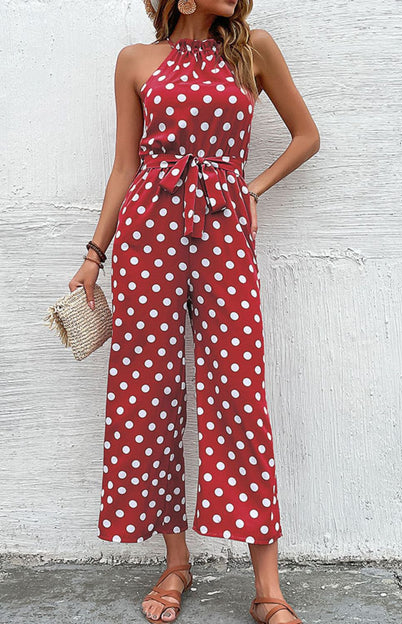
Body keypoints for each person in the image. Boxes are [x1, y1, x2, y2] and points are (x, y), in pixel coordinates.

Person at [69, 0, 319, 622]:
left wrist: (250, 187)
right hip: (148, 231)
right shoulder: (135, 60)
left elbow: (307, 136)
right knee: (146, 393)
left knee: (239, 389)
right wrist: (95, 256)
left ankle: (268, 590)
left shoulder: (253, 49)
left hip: (223, 229)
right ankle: (175, 561)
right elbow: (124, 167)